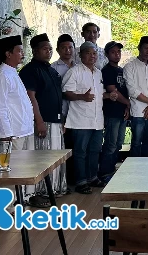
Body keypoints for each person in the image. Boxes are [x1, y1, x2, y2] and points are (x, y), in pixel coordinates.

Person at [19, 33, 65, 206]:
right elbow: (31, 97)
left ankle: (51, 190)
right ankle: (36, 194)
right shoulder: (30, 71)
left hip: (55, 121)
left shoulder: (51, 70)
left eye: (50, 49)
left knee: (53, 157)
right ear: (35, 51)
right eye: (45, 49)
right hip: (41, 122)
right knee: (40, 159)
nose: (49, 52)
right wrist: (38, 121)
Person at [63, 41, 113, 194]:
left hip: (97, 120)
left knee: (95, 151)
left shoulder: (98, 72)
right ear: (81, 55)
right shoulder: (75, 71)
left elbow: (98, 94)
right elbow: (66, 92)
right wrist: (81, 97)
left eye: (94, 53)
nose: (92, 56)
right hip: (80, 120)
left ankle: (92, 177)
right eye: (88, 53)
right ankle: (81, 182)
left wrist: (109, 95)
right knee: (80, 152)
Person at [0, 35, 36, 202]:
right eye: (19, 51)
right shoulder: (2, 75)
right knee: (9, 172)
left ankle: (21, 201)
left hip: (23, 130)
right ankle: (8, 208)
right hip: (12, 134)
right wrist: (6, 133)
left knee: (22, 170)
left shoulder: (12, 72)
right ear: (8, 54)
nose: (22, 55)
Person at [124, 36, 148, 157]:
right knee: (136, 143)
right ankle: (136, 172)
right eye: (146, 48)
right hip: (138, 112)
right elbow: (132, 90)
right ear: (139, 48)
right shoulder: (129, 67)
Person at [99, 41, 130, 182]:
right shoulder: (106, 71)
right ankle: (105, 173)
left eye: (118, 52)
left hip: (122, 112)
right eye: (113, 52)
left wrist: (127, 107)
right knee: (110, 144)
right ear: (107, 54)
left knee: (118, 143)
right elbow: (113, 91)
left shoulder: (121, 70)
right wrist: (129, 103)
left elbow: (125, 91)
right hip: (111, 113)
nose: (117, 54)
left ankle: (111, 170)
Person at [51, 34, 76, 184]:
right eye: (64, 48)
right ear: (58, 50)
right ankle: (62, 181)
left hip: (78, 114)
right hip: (62, 114)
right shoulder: (53, 68)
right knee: (63, 148)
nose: (67, 50)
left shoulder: (80, 66)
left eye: (70, 47)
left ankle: (73, 179)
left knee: (76, 147)